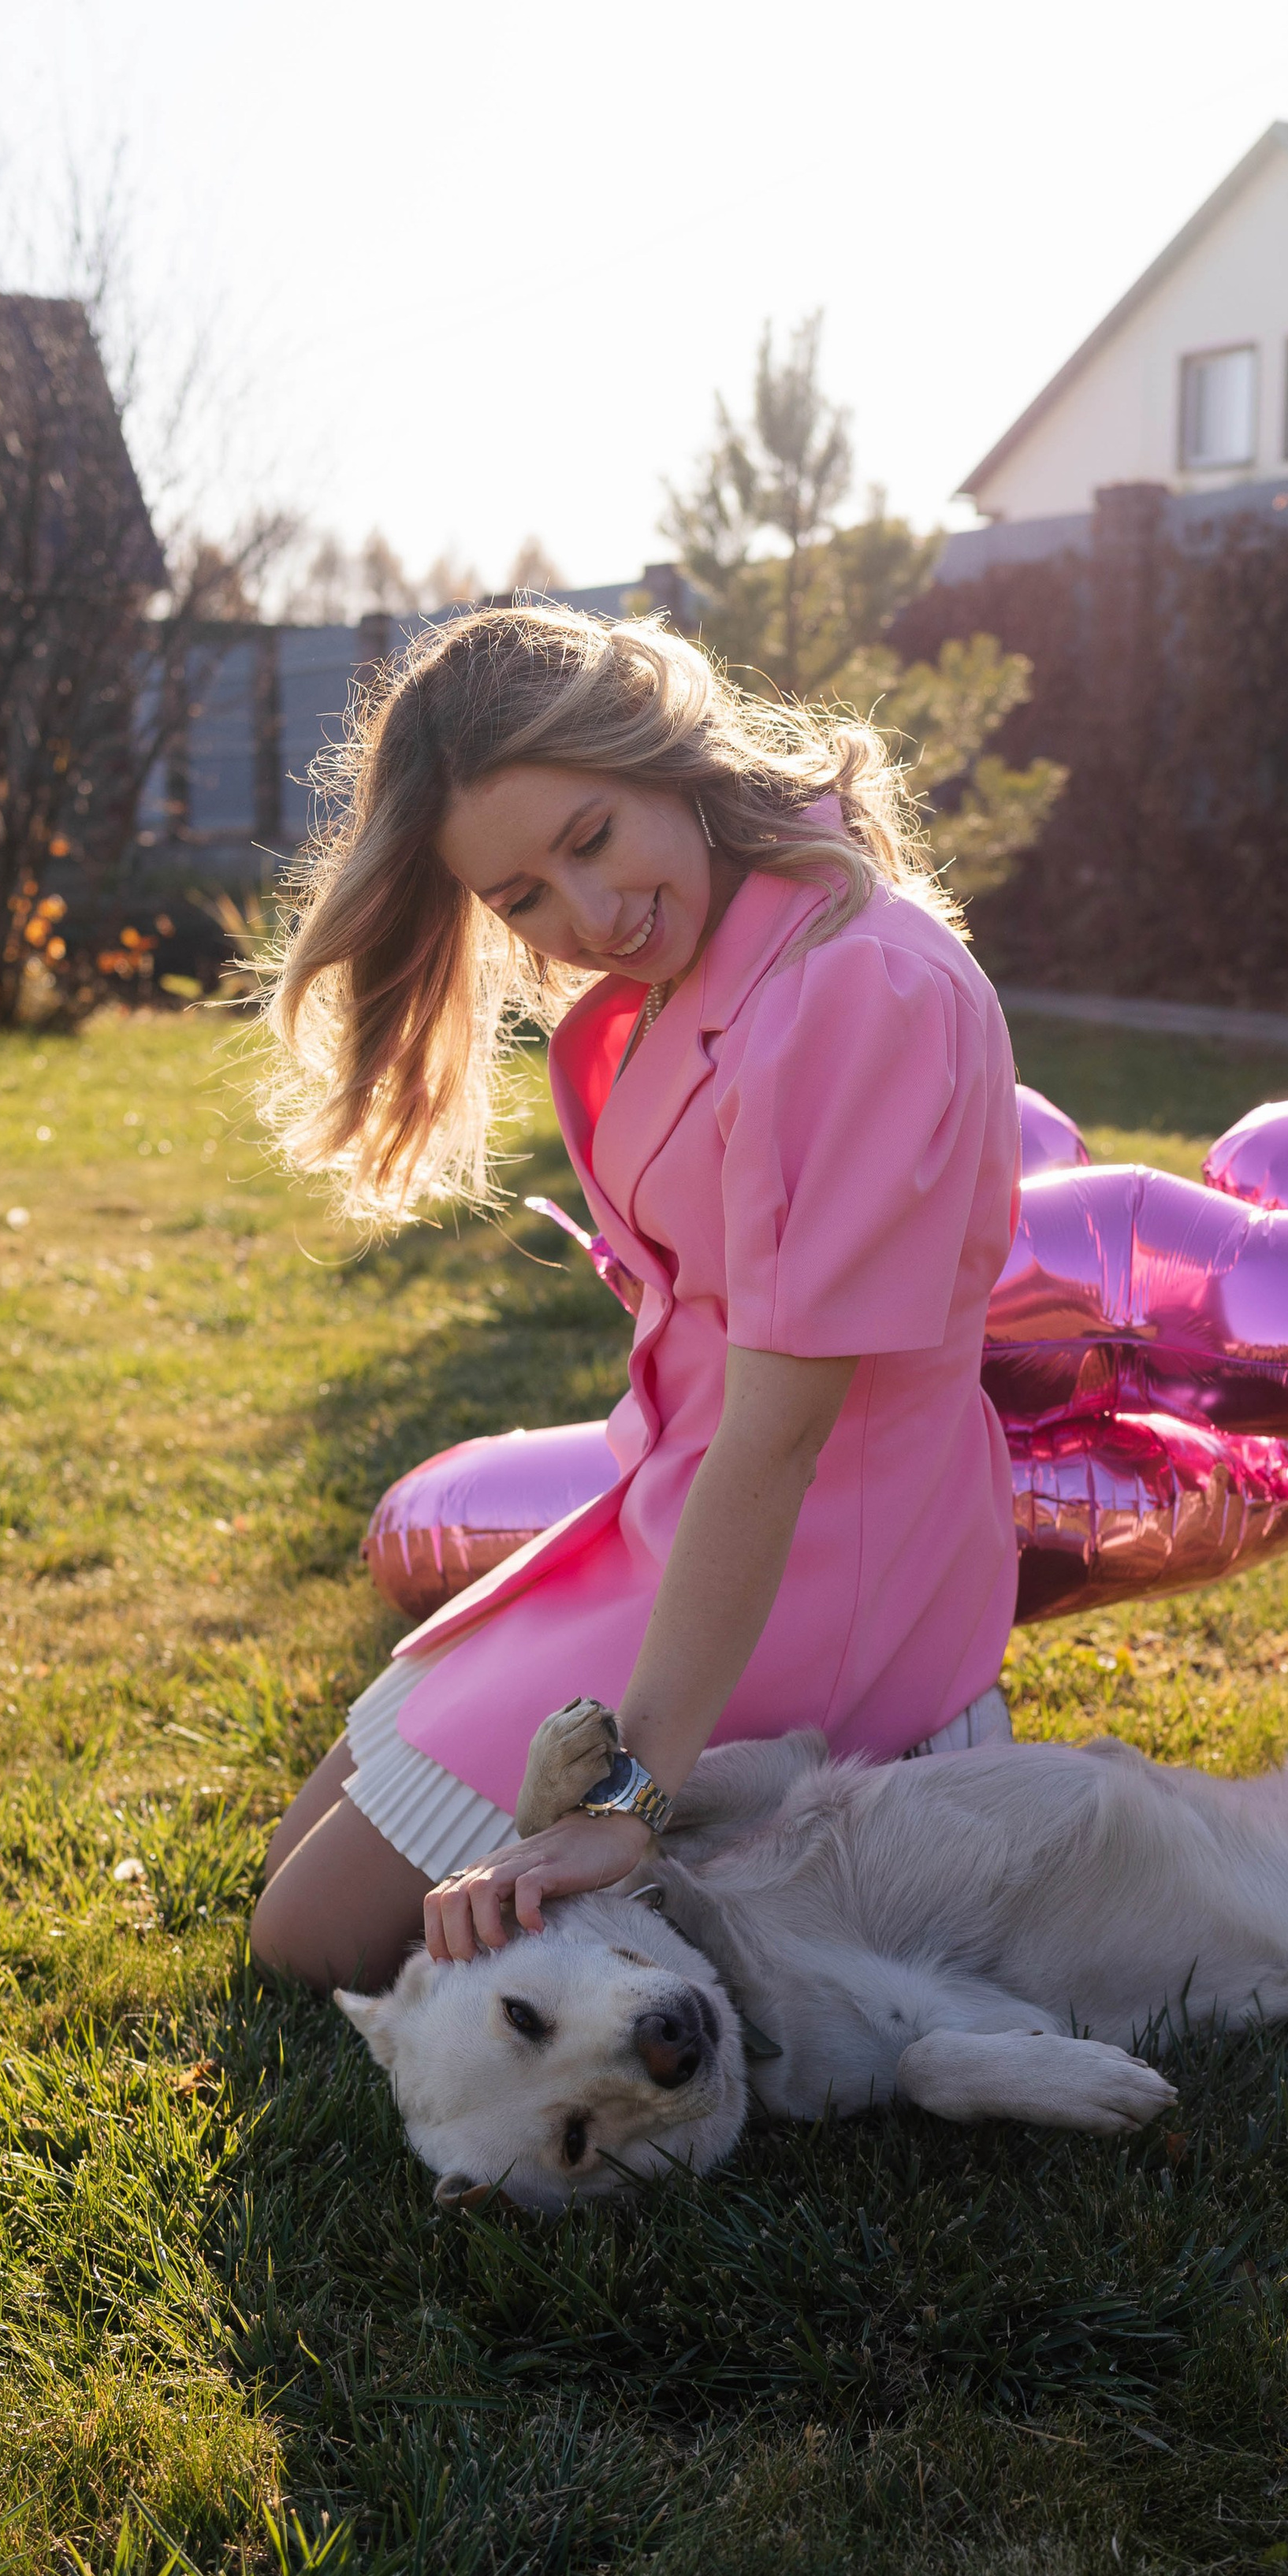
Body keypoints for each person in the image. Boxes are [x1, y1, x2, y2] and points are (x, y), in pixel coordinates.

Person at [250, 601, 1020, 1990]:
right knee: (298, 1885)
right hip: (662, 1517)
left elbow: (782, 1437)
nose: (588, 917)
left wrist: (630, 1801)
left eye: (591, 838)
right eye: (523, 897)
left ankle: (864, 1778)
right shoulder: (691, 970)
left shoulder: (855, 986)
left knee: (309, 1944)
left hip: (825, 1558)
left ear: (660, 750)